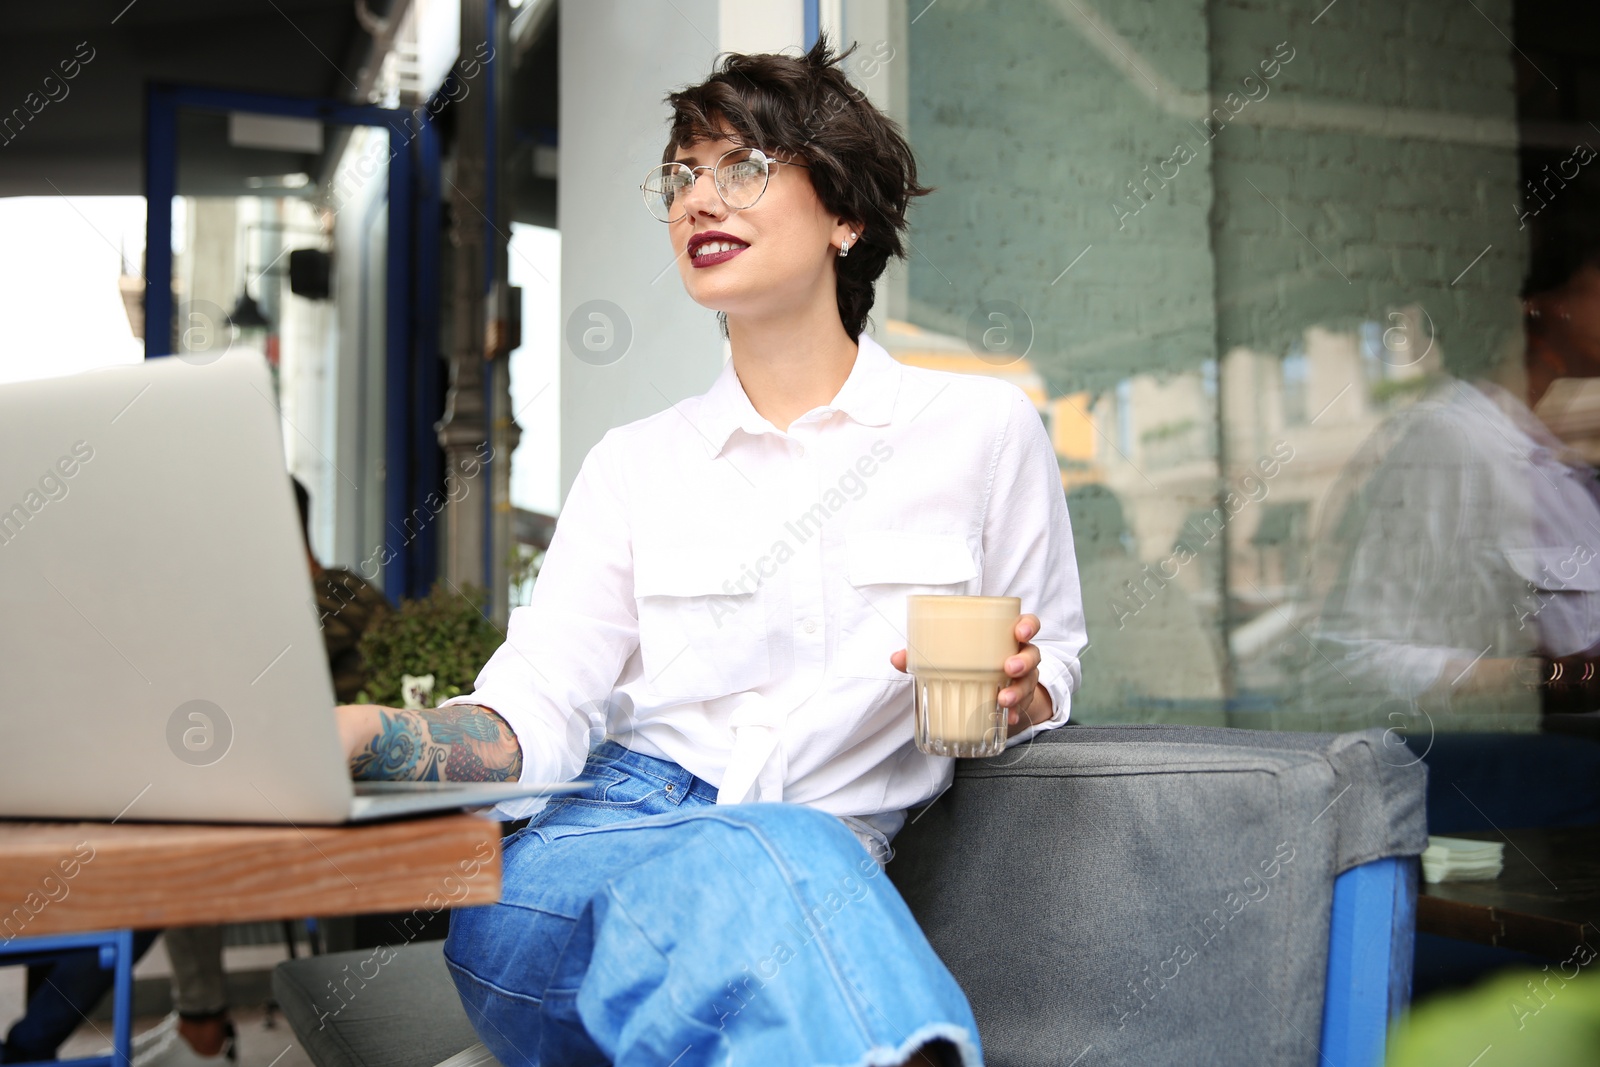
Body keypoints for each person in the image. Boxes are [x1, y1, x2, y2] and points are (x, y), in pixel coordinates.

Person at [336, 35, 1085, 1067]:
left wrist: (1021, 694)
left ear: (845, 216)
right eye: (681, 174)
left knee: (776, 855)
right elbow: (538, 705)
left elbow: (1057, 662)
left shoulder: (981, 430)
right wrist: (365, 735)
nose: (697, 198)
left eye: (742, 167)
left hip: (808, 860)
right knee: (762, 860)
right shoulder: (633, 464)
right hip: (590, 848)